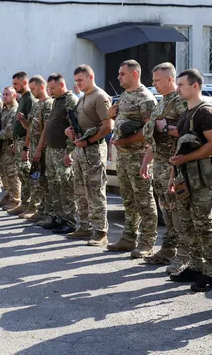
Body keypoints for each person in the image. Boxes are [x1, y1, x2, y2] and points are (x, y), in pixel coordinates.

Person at [168, 69, 212, 292]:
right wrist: (174, 175)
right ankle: (196, 266)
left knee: (204, 224)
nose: (177, 88)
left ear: (195, 86)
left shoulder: (205, 112)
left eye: (181, 85)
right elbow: (179, 148)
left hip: (201, 179)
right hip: (185, 178)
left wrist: (187, 158)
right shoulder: (186, 114)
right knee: (189, 224)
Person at [107, 60, 157, 258]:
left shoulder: (145, 98)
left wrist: (126, 141)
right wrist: (111, 116)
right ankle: (128, 238)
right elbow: (122, 121)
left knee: (144, 200)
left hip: (138, 156)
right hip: (124, 157)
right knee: (128, 200)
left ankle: (147, 242)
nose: (118, 77)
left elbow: (149, 130)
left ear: (135, 74)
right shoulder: (126, 95)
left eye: (122, 74)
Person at [141, 63, 188, 268]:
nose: (154, 84)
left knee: (177, 211)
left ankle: (183, 255)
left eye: (157, 80)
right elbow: (154, 138)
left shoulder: (180, 102)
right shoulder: (162, 103)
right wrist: (145, 162)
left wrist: (167, 127)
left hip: (173, 166)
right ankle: (168, 250)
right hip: (160, 164)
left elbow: (187, 131)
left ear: (170, 79)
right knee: (166, 210)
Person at [65, 65, 113, 246]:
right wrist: (70, 131)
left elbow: (108, 126)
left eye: (80, 80)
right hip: (80, 149)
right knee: (80, 189)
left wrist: (88, 141)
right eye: (75, 80)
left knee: (95, 190)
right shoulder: (83, 97)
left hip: (93, 149)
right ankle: (84, 226)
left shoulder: (99, 96)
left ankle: (100, 231)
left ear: (90, 77)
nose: (77, 83)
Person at [36, 73, 78, 234]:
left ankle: (70, 220)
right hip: (52, 150)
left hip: (62, 151)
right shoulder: (56, 101)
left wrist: (69, 151)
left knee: (66, 186)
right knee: (54, 185)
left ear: (61, 85)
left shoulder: (70, 101)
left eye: (52, 88)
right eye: (49, 88)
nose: (50, 91)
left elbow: (74, 127)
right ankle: (58, 217)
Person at [20, 75, 53, 221]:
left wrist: (39, 150)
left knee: (44, 182)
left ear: (41, 87)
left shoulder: (47, 104)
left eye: (33, 88)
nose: (31, 91)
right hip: (34, 147)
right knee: (37, 181)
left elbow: (46, 130)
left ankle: (46, 212)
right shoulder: (37, 105)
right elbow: (30, 129)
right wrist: (22, 121)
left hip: (43, 149)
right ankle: (40, 210)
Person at [7, 72, 37, 215]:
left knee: (27, 175)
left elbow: (31, 127)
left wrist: (26, 147)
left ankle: (32, 206)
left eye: (16, 84)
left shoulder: (29, 99)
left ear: (24, 83)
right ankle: (24, 203)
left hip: (25, 142)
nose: (14, 87)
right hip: (18, 141)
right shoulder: (23, 98)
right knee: (22, 174)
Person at [0, 86, 21, 211]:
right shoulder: (4, 110)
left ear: (14, 95)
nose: (4, 96)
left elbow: (9, 132)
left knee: (12, 174)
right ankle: (8, 195)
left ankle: (16, 199)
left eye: (7, 94)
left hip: (10, 146)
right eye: (3, 94)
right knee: (3, 172)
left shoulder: (15, 110)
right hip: (2, 147)